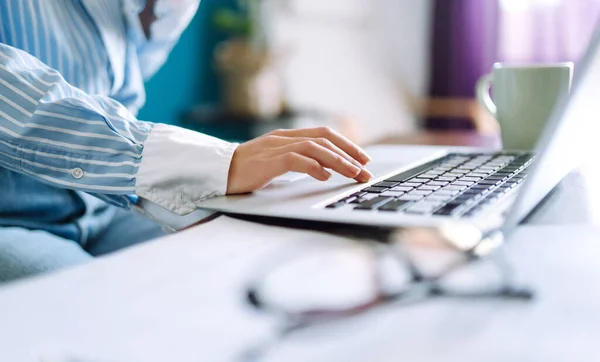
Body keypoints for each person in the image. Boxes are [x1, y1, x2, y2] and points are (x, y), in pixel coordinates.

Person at [0, 0, 372, 283]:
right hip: (11, 220)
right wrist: (219, 164)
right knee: (117, 318)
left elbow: (121, 82)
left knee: (254, 268)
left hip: (104, 203)